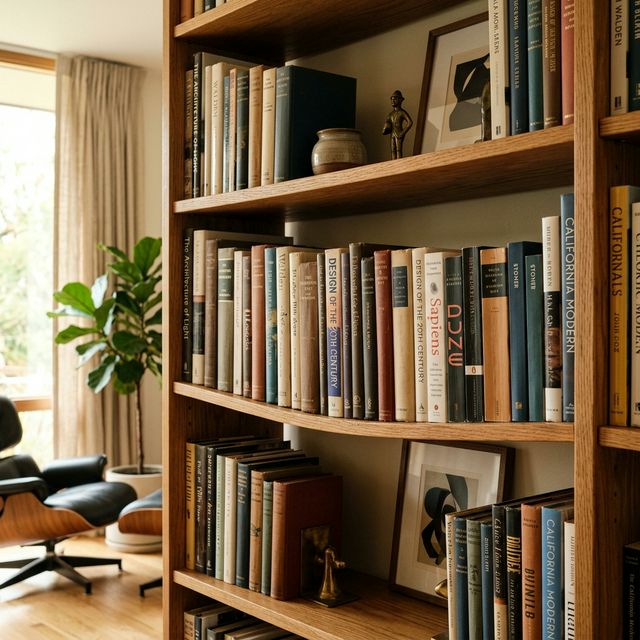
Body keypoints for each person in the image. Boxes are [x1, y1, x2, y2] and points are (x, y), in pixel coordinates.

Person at [382, 90, 413, 159]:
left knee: (398, 150)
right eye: (392, 99)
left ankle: (399, 164)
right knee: (393, 150)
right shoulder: (390, 114)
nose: (393, 101)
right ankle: (393, 164)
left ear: (400, 100)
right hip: (392, 133)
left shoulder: (402, 112)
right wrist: (386, 127)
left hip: (399, 133)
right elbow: (387, 124)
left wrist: (402, 133)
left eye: (395, 99)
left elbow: (410, 122)